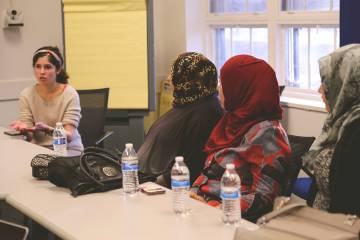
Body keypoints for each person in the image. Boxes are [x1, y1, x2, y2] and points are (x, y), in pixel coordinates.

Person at [190, 55, 292, 222]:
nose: (219, 88)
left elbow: (263, 200)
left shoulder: (268, 134)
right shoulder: (232, 123)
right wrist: (191, 195)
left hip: (229, 221)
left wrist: (213, 209)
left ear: (242, 88)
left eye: (224, 83)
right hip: (203, 211)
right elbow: (209, 174)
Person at [138, 52, 223, 187]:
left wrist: (153, 184)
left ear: (188, 80)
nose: (168, 78)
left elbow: (193, 163)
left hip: (167, 189)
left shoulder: (205, 113)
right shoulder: (189, 105)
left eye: (172, 74)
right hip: (148, 182)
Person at [303, 44, 360, 216]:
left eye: (327, 82)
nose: (320, 90)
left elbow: (349, 203)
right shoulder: (341, 120)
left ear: (347, 83)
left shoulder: (356, 132)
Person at [10, 46, 83, 152]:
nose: (42, 72)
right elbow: (30, 136)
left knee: (56, 166)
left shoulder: (70, 94)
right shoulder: (26, 94)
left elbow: (69, 136)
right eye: (38, 66)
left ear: (58, 70)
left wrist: (48, 129)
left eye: (48, 67)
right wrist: (25, 129)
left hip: (67, 149)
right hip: (38, 149)